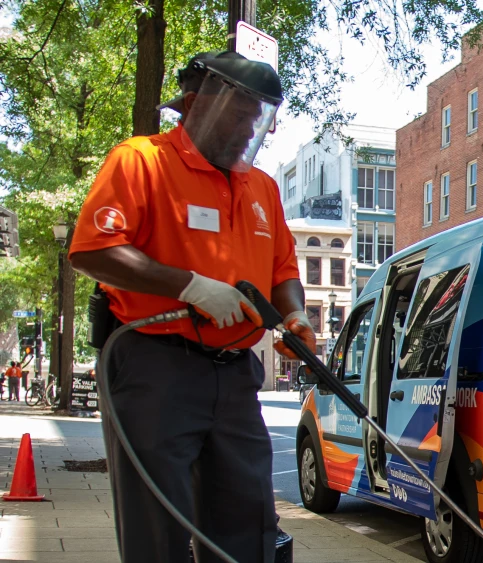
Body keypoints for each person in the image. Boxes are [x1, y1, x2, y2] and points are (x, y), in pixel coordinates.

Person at [68, 51, 315, 563]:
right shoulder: (141, 161)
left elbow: (283, 273)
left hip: (236, 377)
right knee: (157, 523)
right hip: (154, 366)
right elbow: (93, 249)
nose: (252, 128)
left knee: (249, 518)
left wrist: (294, 315)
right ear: (198, 103)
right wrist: (190, 286)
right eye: (242, 112)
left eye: (259, 116)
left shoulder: (263, 188)